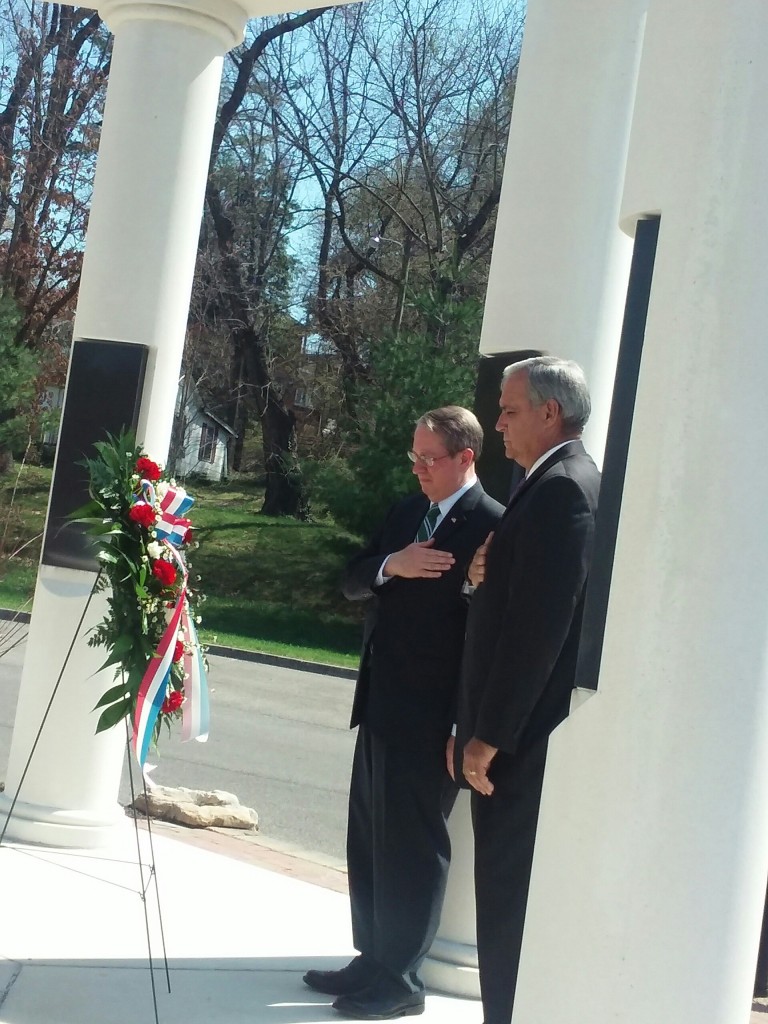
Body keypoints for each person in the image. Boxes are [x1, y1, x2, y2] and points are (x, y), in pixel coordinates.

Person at [303, 406, 504, 1021]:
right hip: (381, 706)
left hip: (435, 722)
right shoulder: (402, 515)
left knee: (414, 848)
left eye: (429, 459)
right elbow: (353, 580)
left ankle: (401, 980)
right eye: (413, 457)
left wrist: (459, 727)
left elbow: (486, 639)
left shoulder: (492, 526)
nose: (418, 469)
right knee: (369, 838)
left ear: (465, 457)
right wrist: (395, 565)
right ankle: (372, 958)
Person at [455, 356, 600, 1024]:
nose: (498, 423)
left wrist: (490, 735)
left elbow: (539, 631)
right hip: (518, 736)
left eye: (510, 411)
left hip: (523, 746)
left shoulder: (565, 489)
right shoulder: (546, 485)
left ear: (550, 413)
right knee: (506, 905)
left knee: (511, 908)